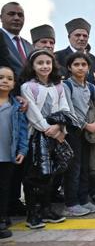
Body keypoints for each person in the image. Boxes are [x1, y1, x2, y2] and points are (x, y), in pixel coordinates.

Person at [19, 49, 69, 228]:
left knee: (52, 173)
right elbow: (32, 112)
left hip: (55, 133)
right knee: (34, 175)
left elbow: (64, 108)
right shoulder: (28, 87)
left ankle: (46, 209)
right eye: (40, 63)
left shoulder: (58, 85)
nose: (44, 66)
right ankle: (33, 213)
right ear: (32, 66)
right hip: (36, 134)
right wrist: (49, 129)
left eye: (48, 62)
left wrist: (60, 127)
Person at [62, 52, 95, 217]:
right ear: (69, 67)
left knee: (86, 167)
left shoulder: (91, 87)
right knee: (74, 167)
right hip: (73, 132)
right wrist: (85, 125)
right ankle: (71, 203)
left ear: (88, 68)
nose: (80, 68)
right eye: (76, 64)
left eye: (83, 65)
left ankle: (84, 199)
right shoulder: (66, 85)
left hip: (90, 132)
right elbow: (67, 110)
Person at [0, 66, 28, 238]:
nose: (5, 81)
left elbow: (23, 131)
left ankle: (2, 218)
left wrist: (23, 149)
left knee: (4, 188)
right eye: (1, 77)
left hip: (7, 154)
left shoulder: (17, 106)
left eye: (9, 79)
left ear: (14, 84)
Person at [55, 17, 95, 82]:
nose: (81, 38)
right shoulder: (57, 57)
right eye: (78, 35)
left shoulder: (93, 59)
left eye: (85, 36)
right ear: (69, 37)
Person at [1, 2, 32, 77]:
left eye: (20, 15)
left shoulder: (30, 46)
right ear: (1, 18)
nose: (16, 18)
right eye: (11, 14)